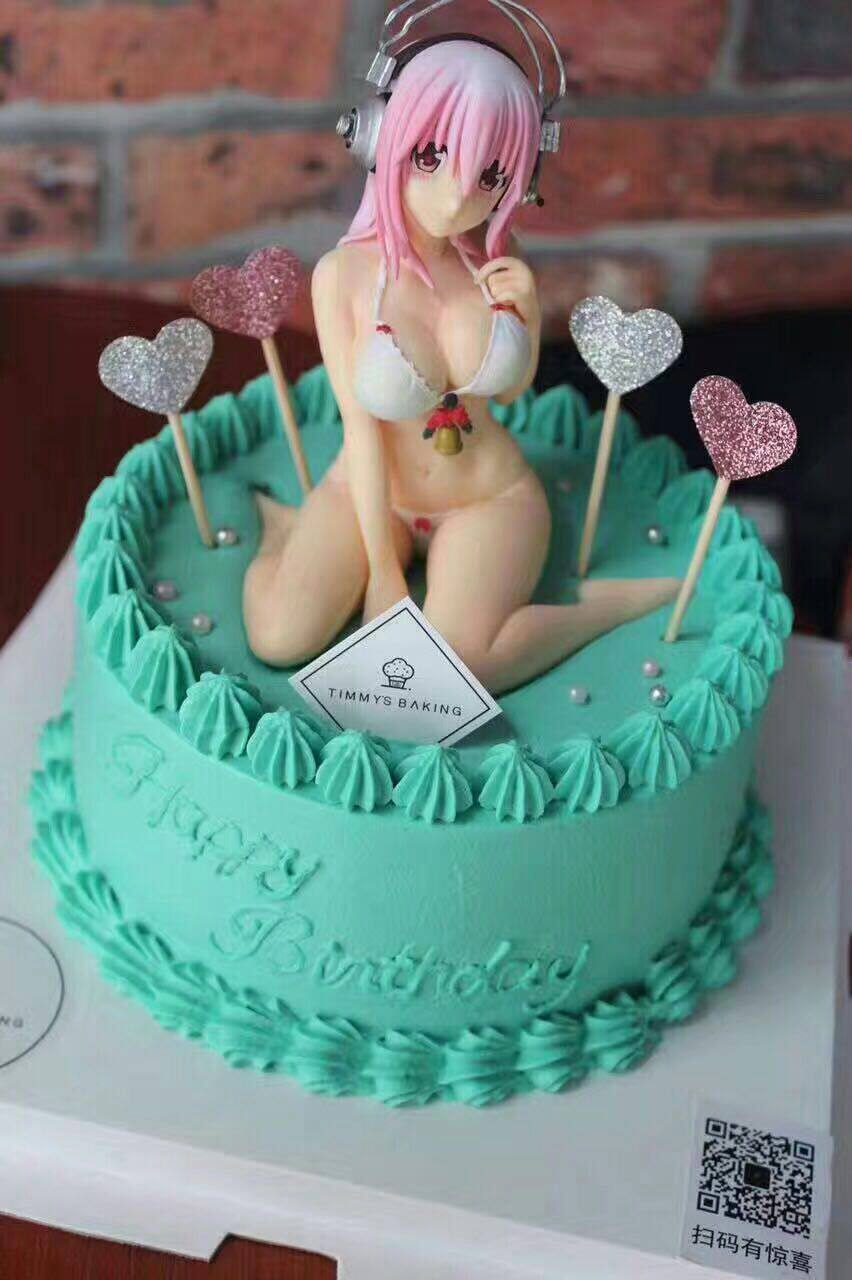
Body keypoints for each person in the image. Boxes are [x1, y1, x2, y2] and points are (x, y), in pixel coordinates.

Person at [243, 40, 677, 694]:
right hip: (370, 492)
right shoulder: (343, 277)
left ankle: (598, 611)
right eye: (431, 157)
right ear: (380, 138)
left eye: (490, 176)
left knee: (458, 671)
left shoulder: (498, 259)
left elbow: (513, 392)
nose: (455, 199)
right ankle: (283, 531)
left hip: (486, 498)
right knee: (279, 637)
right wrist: (383, 573)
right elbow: (360, 429)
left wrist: (527, 311)